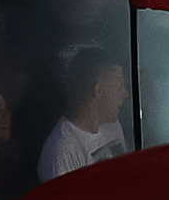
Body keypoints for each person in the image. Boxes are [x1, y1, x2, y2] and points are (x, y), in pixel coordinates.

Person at [37, 49, 125, 180]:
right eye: (119, 87)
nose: (125, 94)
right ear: (98, 90)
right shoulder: (61, 151)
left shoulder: (113, 126)